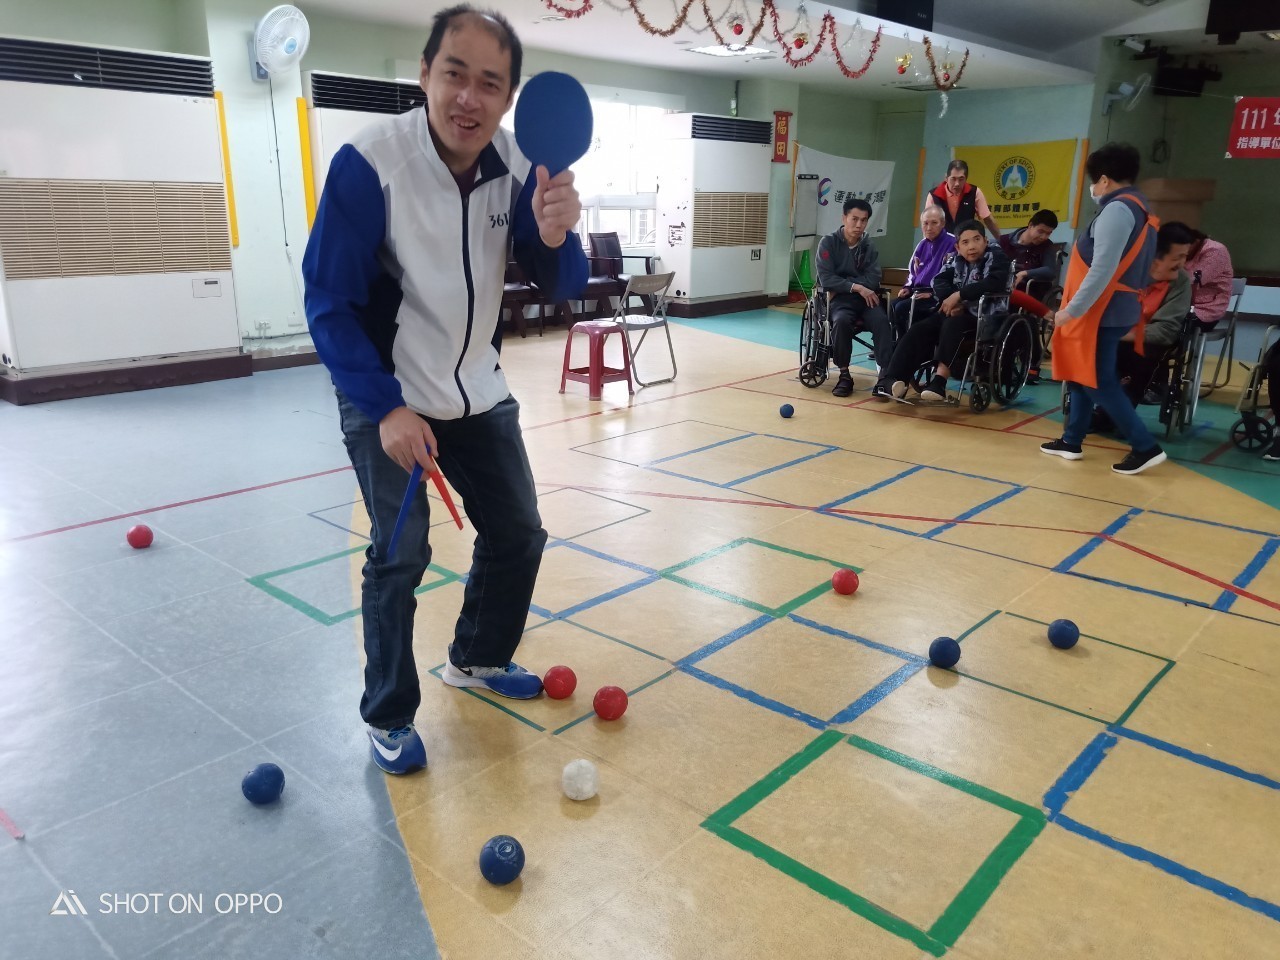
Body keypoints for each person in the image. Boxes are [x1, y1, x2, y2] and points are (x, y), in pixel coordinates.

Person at [302, 4, 588, 775]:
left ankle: (478, 657)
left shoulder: (518, 166)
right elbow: (327, 303)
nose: (469, 96)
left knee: (519, 533)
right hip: (388, 396)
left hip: (476, 393)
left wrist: (557, 235)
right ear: (425, 73)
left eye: (490, 83)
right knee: (401, 555)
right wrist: (385, 407)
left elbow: (563, 283)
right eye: (455, 73)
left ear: (508, 97)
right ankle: (388, 713)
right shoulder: (370, 165)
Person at [1041, 142, 1164, 476]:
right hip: (1112, 307)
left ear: (1105, 180)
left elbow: (1102, 270)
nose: (1093, 189)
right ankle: (1072, 440)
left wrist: (1071, 310)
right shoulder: (1140, 208)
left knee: (1098, 380)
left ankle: (1145, 446)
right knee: (1081, 373)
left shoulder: (1118, 211)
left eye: (1094, 182)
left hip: (1101, 310)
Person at [878, 221, 1011, 401]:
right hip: (953, 310)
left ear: (985, 241)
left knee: (952, 326)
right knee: (919, 329)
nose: (971, 246)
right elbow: (938, 280)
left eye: (976, 239)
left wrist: (959, 296)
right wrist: (952, 300)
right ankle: (894, 379)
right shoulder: (954, 259)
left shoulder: (996, 256)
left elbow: (994, 282)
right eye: (965, 242)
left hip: (985, 315)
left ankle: (939, 381)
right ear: (957, 247)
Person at [1091, 222, 1194, 432]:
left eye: (1185, 256)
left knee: (1143, 356)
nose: (1182, 263)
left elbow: (1164, 331)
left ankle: (1114, 415)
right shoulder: (1126, 269)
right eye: (1178, 257)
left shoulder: (1181, 282)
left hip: (1146, 340)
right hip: (1117, 332)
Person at [816, 197, 894, 398]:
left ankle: (884, 376)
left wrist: (846, 284)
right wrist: (857, 286)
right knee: (841, 321)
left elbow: (874, 278)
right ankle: (844, 375)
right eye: (855, 219)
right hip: (840, 301)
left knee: (882, 321)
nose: (859, 225)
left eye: (864, 220)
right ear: (844, 218)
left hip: (867, 299)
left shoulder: (869, 246)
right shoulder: (828, 243)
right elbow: (826, 279)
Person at [1000, 208, 1060, 384]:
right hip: (1004, 290)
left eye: (1048, 233)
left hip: (1031, 292)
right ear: (1030, 225)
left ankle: (1030, 363)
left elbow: (1050, 270)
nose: (1043, 236)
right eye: (1040, 231)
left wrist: (1025, 273)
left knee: (1021, 318)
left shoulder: (1047, 247)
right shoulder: (1004, 241)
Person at [893, 206, 955, 337]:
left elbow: (953, 276)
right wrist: (908, 287)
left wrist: (933, 293)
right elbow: (912, 271)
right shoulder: (922, 244)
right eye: (925, 223)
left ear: (943, 223)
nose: (929, 227)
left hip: (936, 295)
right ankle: (893, 342)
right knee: (891, 306)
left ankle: (903, 343)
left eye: (934, 223)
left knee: (902, 308)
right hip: (917, 292)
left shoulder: (952, 243)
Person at [926, 160, 1002, 239]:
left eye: (961, 179)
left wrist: (1002, 241)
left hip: (967, 241)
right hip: (942, 242)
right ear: (946, 178)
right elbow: (927, 224)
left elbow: (988, 219)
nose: (957, 184)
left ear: (966, 179)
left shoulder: (975, 192)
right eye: (953, 179)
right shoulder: (933, 195)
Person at [1184, 227, 1235, 330]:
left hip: (1205, 309)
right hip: (1183, 305)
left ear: (1195, 241)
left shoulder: (1215, 250)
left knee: (1169, 322)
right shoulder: (1186, 252)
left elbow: (1192, 282)